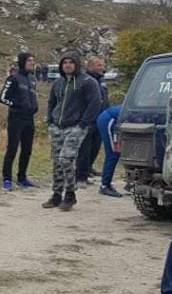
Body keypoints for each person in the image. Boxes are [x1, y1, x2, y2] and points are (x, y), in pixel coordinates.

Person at [43, 51, 102, 211]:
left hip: (75, 127)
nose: (67, 65)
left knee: (66, 159)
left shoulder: (87, 82)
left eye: (71, 62)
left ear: (77, 64)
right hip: (57, 126)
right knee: (57, 161)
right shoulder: (58, 83)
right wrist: (50, 120)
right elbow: (51, 102)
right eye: (64, 62)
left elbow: (95, 103)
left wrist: (83, 123)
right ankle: (56, 194)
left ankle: (70, 194)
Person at [0, 52, 39, 190]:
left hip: (29, 119)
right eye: (29, 61)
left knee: (27, 149)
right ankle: (7, 179)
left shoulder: (33, 79)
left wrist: (35, 107)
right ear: (23, 62)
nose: (32, 63)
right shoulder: (14, 78)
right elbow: (3, 98)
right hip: (16, 118)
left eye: (33, 61)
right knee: (12, 148)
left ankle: (22, 178)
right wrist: (17, 105)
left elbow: (33, 97)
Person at [76, 57, 111, 185]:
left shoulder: (101, 80)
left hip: (101, 119)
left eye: (103, 65)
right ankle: (80, 175)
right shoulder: (85, 80)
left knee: (95, 147)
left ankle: (88, 169)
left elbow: (105, 99)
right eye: (99, 65)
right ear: (90, 66)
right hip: (89, 119)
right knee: (84, 149)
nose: (102, 68)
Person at [96, 105, 123, 197]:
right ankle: (105, 185)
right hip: (109, 120)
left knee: (120, 152)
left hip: (113, 120)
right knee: (113, 153)